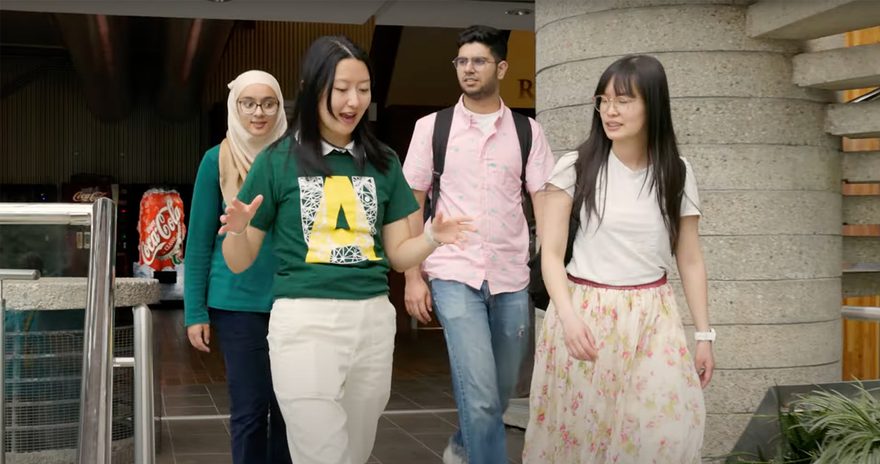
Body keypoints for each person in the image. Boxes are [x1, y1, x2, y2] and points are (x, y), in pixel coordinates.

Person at [219, 35, 474, 464]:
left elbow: (397, 255)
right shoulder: (277, 161)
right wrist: (239, 231)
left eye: (363, 89)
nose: (353, 101)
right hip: (304, 323)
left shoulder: (384, 162)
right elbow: (238, 261)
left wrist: (430, 237)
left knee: (355, 452)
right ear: (311, 87)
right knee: (322, 453)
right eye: (340, 89)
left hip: (372, 321)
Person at [523, 54, 715, 463]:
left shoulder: (677, 173)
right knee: (583, 437)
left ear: (653, 105)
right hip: (586, 314)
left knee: (664, 430)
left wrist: (704, 335)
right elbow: (551, 255)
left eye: (623, 100)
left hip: (652, 315)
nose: (610, 110)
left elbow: (691, 259)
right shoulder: (576, 167)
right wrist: (569, 317)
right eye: (603, 100)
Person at [402, 25, 554, 464]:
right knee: (482, 394)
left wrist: (551, 266)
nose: (468, 69)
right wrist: (414, 275)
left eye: (479, 61)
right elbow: (412, 203)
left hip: (511, 276)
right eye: (462, 61)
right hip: (453, 272)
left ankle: (464, 448)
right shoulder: (432, 129)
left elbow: (543, 202)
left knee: (501, 393)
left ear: (501, 67)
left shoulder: (528, 132)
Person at [183, 70, 291, 464]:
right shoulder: (217, 160)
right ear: (235, 107)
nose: (258, 113)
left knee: (289, 410)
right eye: (249, 103)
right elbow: (197, 242)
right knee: (249, 408)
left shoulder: (297, 158)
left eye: (269, 103)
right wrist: (194, 311)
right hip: (236, 303)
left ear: (280, 108)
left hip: (292, 299)